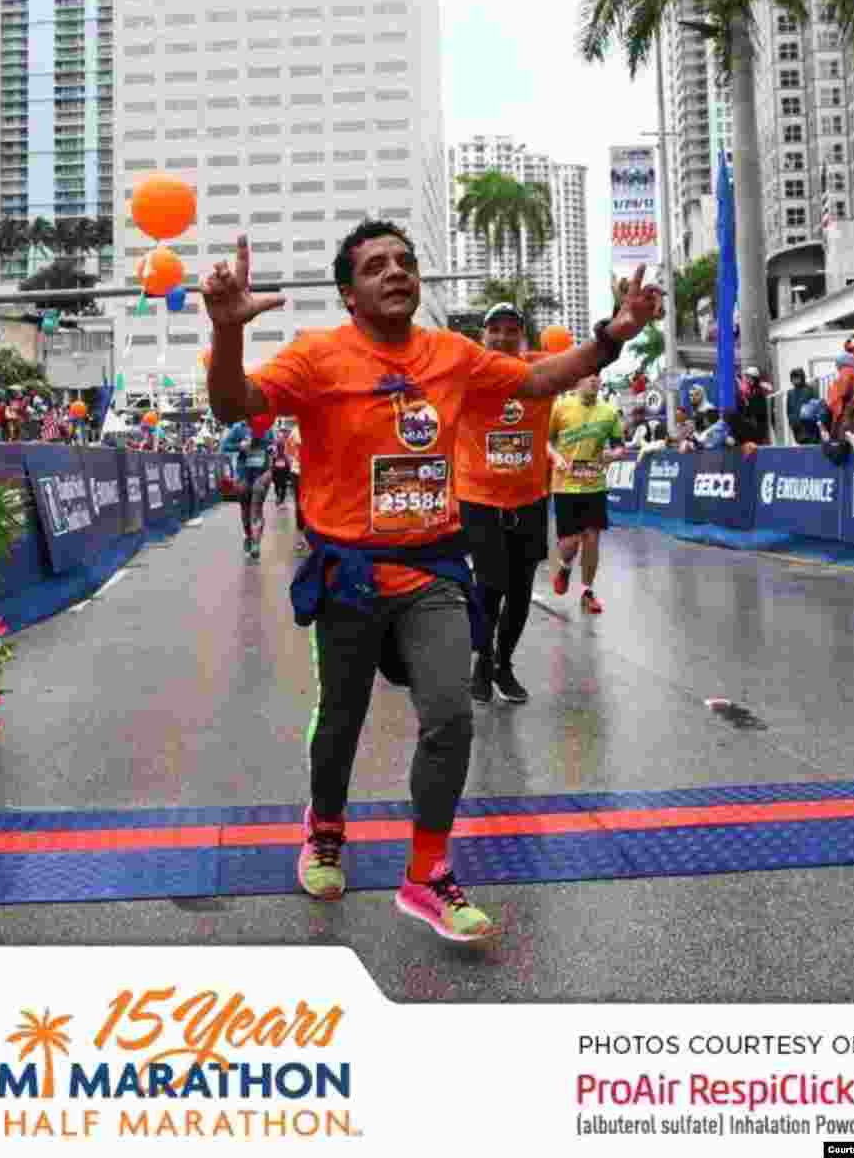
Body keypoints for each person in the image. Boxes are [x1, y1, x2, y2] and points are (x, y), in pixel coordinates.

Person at [203, 223, 661, 943]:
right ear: (349, 293)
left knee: (449, 712)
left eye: (406, 262)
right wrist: (227, 333)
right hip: (349, 575)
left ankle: (426, 874)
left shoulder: (451, 355)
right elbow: (234, 406)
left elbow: (539, 378)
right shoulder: (319, 357)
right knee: (343, 716)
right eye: (376, 265)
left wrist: (613, 337)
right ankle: (325, 826)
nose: (396, 272)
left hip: (433, 571)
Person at [455, 302, 554, 706]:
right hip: (478, 499)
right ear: (483, 336)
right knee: (490, 585)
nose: (502, 337)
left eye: (511, 330)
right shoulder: (465, 374)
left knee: (520, 590)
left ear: (522, 337)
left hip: (529, 500)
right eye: (494, 330)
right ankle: (481, 662)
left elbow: (589, 360)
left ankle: (503, 664)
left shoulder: (542, 372)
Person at [549, 376, 625, 614]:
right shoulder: (560, 407)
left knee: (592, 538)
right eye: (589, 376)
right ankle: (564, 566)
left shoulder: (610, 412)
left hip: (594, 484)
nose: (594, 380)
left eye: (597, 376)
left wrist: (612, 455)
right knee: (570, 543)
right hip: (565, 485)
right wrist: (556, 457)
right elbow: (545, 441)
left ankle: (587, 592)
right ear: (578, 381)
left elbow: (619, 446)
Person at [220, 415, 275, 560]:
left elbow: (272, 444)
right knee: (245, 507)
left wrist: (271, 448)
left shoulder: (267, 426)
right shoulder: (239, 427)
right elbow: (224, 446)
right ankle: (248, 536)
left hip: (261, 472)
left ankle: (256, 543)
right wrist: (240, 446)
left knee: (256, 504)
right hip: (244, 472)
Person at [284, 419, 309, 555]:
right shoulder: (295, 432)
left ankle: (313, 537)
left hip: (313, 474)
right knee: (300, 505)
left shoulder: (317, 428)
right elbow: (287, 451)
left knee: (312, 504)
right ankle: (301, 539)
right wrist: (294, 463)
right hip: (298, 472)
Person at [736, 367, 773, 445]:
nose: (747, 379)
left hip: (758, 425)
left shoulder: (759, 391)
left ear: (754, 378)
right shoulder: (749, 391)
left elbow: (759, 411)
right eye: (747, 377)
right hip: (751, 424)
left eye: (749, 377)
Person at [786, 368, 820, 446]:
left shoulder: (809, 390)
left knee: (810, 446)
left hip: (809, 427)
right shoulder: (790, 393)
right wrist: (791, 422)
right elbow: (788, 410)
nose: (795, 380)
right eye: (793, 378)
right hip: (796, 427)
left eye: (797, 377)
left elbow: (816, 407)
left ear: (802, 377)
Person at [271, 426, 291, 507]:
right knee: (276, 482)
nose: (281, 435)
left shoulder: (287, 442)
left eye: (283, 432)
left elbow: (289, 453)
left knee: (283, 483)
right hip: (276, 465)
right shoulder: (275, 443)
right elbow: (272, 453)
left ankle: (281, 499)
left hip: (284, 465)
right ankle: (278, 497)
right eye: (280, 433)